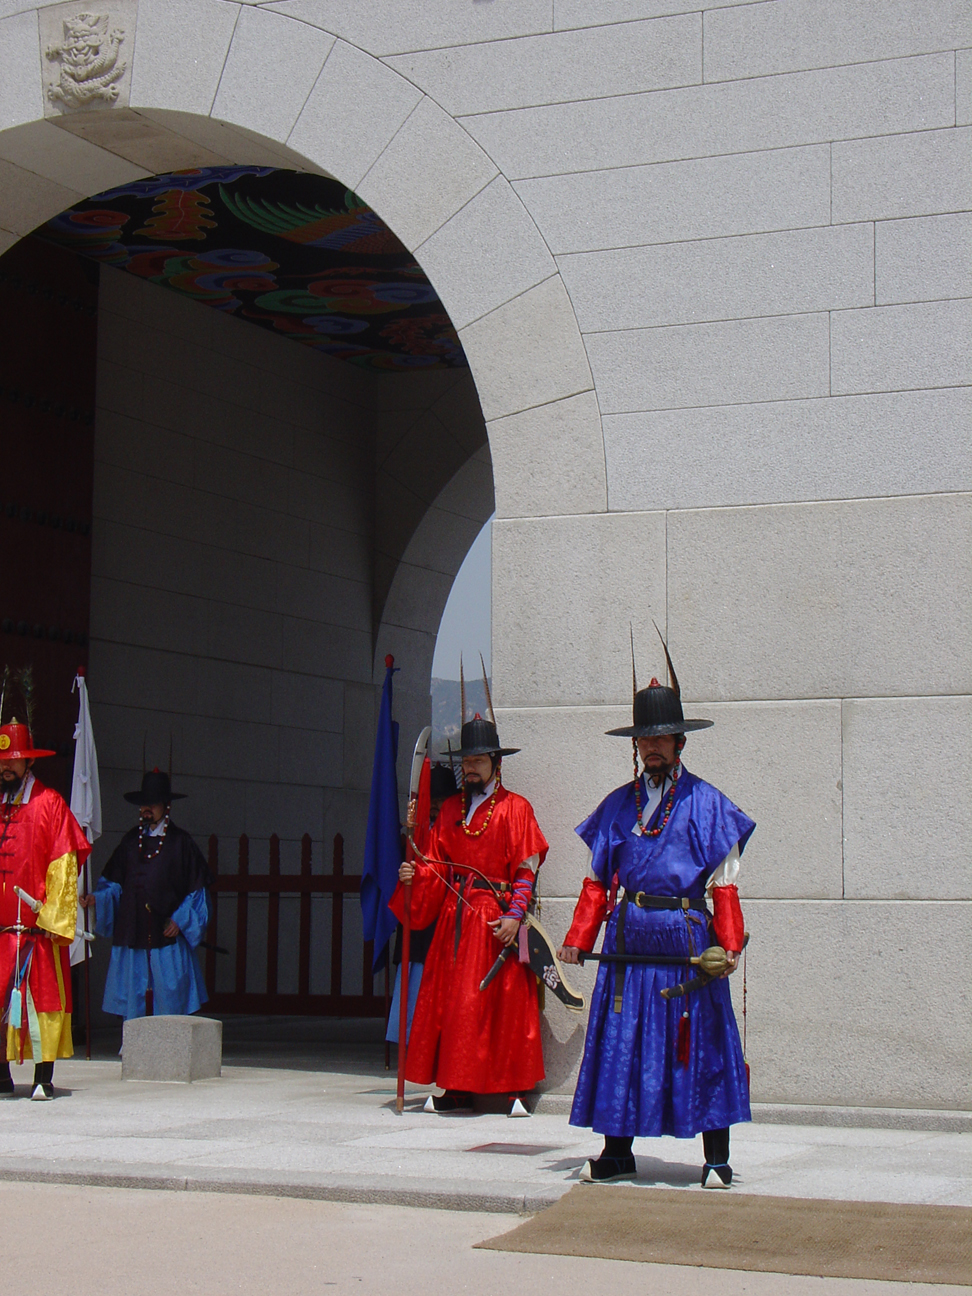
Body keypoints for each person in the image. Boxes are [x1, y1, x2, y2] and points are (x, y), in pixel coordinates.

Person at [558, 652, 754, 1186]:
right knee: (622, 1040)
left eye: (661, 737)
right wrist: (579, 937)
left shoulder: (709, 805)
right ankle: (617, 1151)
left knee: (702, 1043)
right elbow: (598, 882)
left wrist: (730, 946)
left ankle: (716, 1158)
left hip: (687, 940)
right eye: (644, 739)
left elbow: (725, 883)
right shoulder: (618, 805)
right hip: (628, 938)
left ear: (680, 743)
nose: (652, 746)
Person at [391, 712, 548, 1116]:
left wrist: (515, 915)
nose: (470, 768)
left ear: (496, 762)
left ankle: (513, 1088)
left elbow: (526, 869)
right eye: (465, 762)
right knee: (453, 1006)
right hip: (454, 920)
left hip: (497, 918)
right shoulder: (449, 812)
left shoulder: (516, 809)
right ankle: (455, 1087)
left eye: (478, 761)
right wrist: (414, 871)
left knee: (503, 1005)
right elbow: (434, 864)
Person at [0, 718, 91, 1100]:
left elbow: (65, 862)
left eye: (14, 761)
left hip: (35, 927)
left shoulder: (49, 804)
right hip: (2, 930)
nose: (7, 768)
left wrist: (52, 917)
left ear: (29, 764)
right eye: (3, 762)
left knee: (42, 1003)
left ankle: (43, 1075)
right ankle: (2, 1073)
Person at [80, 769, 210, 1020]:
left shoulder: (182, 843)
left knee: (170, 993)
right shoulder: (131, 840)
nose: (145, 810)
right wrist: (99, 898)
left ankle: (169, 1042)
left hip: (166, 933)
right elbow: (114, 883)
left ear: (166, 806)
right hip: (134, 928)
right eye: (143, 805)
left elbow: (198, 891)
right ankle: (134, 1041)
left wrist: (180, 919)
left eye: (151, 804)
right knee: (134, 993)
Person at [385, 762, 457, 1046]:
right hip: (418, 918)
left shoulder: (456, 828)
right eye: (433, 800)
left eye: (442, 800)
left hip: (446, 914)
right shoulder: (417, 834)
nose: (437, 806)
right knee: (413, 981)